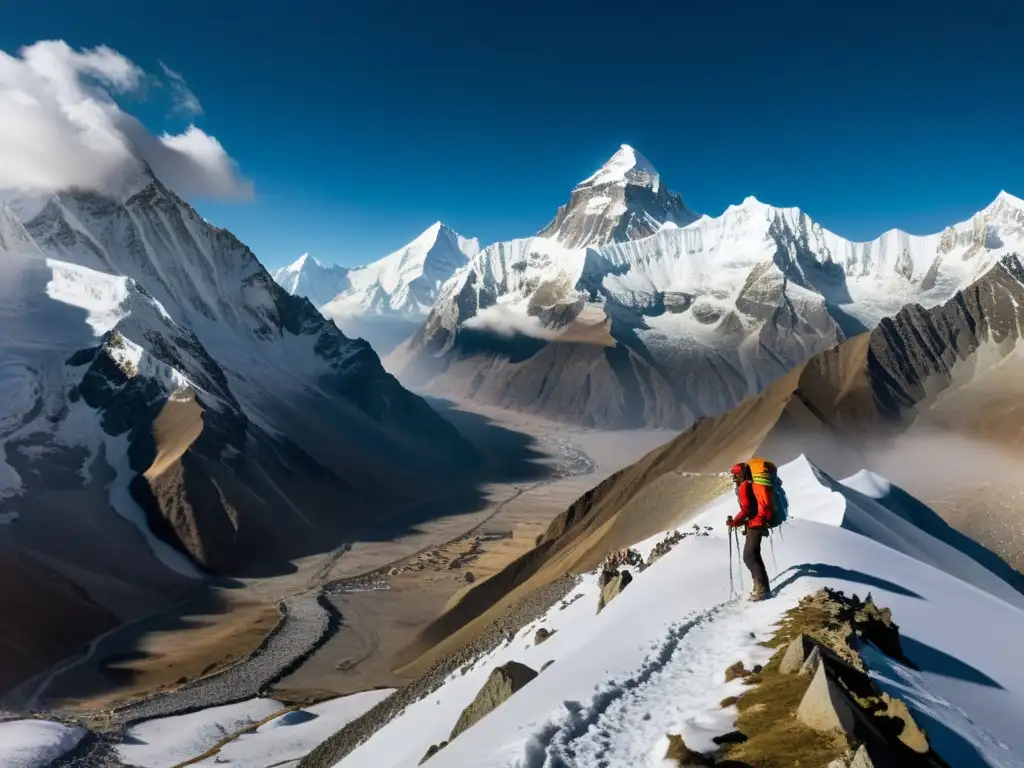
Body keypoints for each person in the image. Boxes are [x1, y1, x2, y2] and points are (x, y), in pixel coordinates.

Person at [727, 461, 772, 601]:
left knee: (749, 556)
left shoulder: (744, 486)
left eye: (735, 474)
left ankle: (762, 590)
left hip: (755, 522)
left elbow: (746, 509)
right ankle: (760, 587)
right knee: (754, 555)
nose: (734, 478)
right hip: (757, 522)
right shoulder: (750, 483)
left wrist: (735, 521)